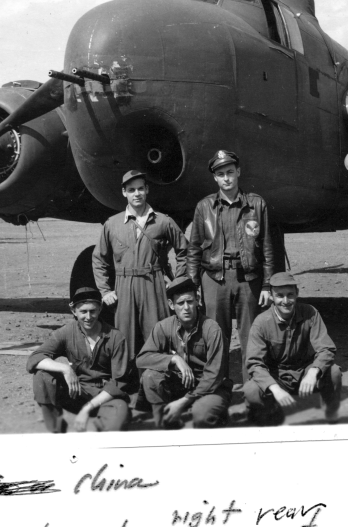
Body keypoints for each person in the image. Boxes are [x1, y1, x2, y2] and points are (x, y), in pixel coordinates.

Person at [186, 150, 277, 382]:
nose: (226, 178)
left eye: (229, 172)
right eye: (220, 174)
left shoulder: (256, 204)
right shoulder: (203, 207)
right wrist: (193, 286)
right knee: (216, 338)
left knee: (251, 338)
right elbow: (194, 249)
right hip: (215, 279)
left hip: (248, 278)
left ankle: (253, 390)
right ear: (214, 178)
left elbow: (267, 246)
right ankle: (218, 391)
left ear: (238, 172)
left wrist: (267, 284)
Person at [92, 169, 189, 362]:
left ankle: (158, 382)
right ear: (124, 193)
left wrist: (177, 281)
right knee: (125, 337)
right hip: (124, 285)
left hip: (153, 284)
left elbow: (185, 251)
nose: (137, 194)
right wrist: (105, 291)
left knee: (157, 334)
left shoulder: (163, 221)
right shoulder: (112, 224)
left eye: (140, 189)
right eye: (131, 190)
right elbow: (99, 259)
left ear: (147, 190)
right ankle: (126, 385)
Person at [26, 286, 131, 433]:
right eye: (83, 311)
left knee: (116, 424)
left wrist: (87, 409)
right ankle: (56, 431)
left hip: (106, 396)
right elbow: (35, 358)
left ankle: (99, 430)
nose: (88, 317)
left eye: (93, 311)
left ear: (100, 309)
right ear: (73, 311)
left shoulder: (116, 337)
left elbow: (119, 382)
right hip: (77, 392)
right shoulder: (66, 332)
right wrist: (65, 368)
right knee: (42, 376)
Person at [244, 271, 342, 425]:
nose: (285, 301)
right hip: (276, 375)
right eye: (279, 295)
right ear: (271, 297)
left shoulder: (310, 313)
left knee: (334, 372)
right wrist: (275, 389)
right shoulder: (262, 322)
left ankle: (331, 411)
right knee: (251, 389)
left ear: (297, 293)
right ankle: (269, 413)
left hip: (303, 371)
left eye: (290, 294)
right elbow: (254, 363)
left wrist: (312, 372)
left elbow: (326, 349)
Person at [136, 276, 231, 429]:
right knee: (149, 376)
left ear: (197, 300)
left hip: (209, 388)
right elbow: (142, 359)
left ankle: (214, 413)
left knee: (203, 415)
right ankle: (166, 422)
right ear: (171, 305)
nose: (186, 308)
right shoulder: (163, 327)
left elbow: (215, 375)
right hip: (179, 385)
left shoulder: (212, 329)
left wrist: (183, 402)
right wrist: (174, 359)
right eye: (180, 303)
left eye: (190, 301)